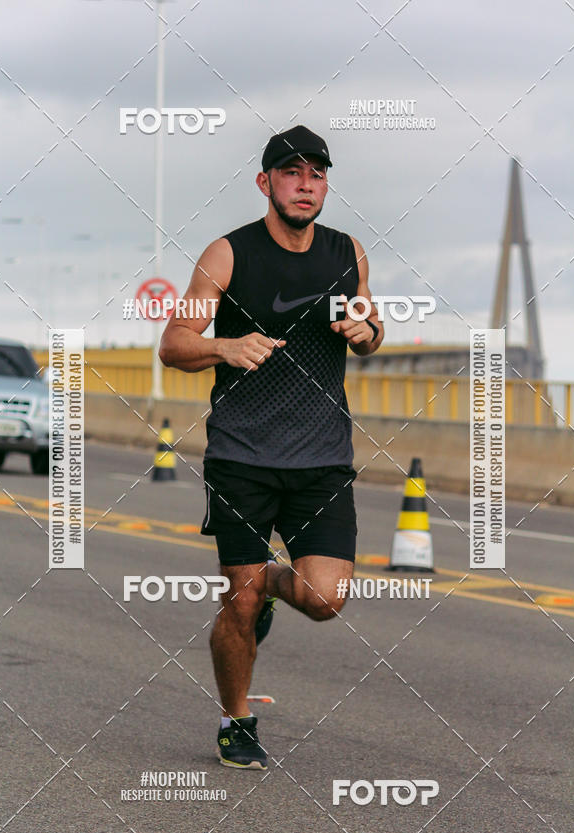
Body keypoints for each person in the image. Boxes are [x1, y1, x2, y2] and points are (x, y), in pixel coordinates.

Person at [159, 125, 384, 769]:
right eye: (292, 173)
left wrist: (366, 332)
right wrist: (221, 347)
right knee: (241, 594)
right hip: (242, 455)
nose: (305, 184)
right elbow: (174, 344)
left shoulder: (347, 253)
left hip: (322, 457)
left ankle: (264, 592)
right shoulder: (228, 254)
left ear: (325, 187)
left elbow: (371, 330)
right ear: (266, 183)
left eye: (316, 174)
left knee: (323, 600)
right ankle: (237, 719)